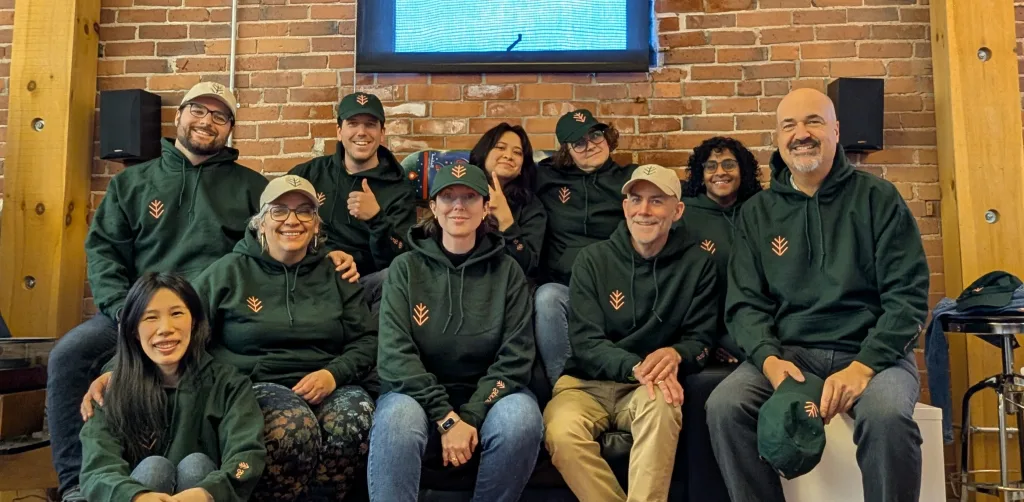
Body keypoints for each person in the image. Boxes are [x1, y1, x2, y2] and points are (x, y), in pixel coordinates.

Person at [83, 175, 377, 501]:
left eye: (305, 211)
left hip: (327, 380)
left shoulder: (337, 272)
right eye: (280, 211)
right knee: (292, 426)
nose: (292, 220)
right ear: (261, 223)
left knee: (356, 417)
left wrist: (332, 374)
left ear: (316, 225)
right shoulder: (229, 271)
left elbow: (367, 340)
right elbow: (175, 321)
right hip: (254, 385)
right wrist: (117, 370)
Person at [705, 88, 930, 502]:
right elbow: (744, 303)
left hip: (871, 353)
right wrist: (770, 361)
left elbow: (908, 297)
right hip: (791, 353)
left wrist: (864, 367)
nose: (801, 134)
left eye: (813, 121)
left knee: (887, 418)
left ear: (836, 130)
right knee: (725, 405)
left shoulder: (879, 200)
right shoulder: (756, 214)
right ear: (777, 136)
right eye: (789, 125)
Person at [52, 82, 270, 502]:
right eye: (198, 111)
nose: (206, 121)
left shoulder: (253, 189)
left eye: (219, 116)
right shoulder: (132, 183)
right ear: (180, 116)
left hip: (208, 316)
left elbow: (271, 251)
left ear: (230, 129)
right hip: (134, 311)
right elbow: (104, 252)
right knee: (68, 356)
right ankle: (76, 487)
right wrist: (125, 316)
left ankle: (201, 473)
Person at [543, 164, 719, 502]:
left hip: (649, 386)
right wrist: (634, 367)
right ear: (624, 207)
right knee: (561, 432)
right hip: (585, 385)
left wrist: (676, 353)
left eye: (657, 201)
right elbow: (585, 342)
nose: (644, 210)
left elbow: (701, 341)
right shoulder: (592, 260)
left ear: (677, 210)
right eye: (635, 200)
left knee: (665, 407)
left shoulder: (699, 265)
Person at [369, 164, 542, 502]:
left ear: (485, 207)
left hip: (488, 397)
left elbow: (516, 358)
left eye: (469, 197)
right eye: (448, 196)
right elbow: (394, 356)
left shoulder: (508, 270)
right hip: (416, 396)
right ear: (433, 207)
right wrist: (446, 418)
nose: (458, 206)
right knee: (397, 419)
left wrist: (472, 415)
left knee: (522, 417)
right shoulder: (405, 269)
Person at [79, 272, 266, 502]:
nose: (165, 328)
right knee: (154, 468)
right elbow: (97, 470)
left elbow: (246, 457)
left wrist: (210, 491)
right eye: (150, 318)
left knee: (196, 466)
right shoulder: (110, 390)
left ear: (194, 321)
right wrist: (135, 497)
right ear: (133, 330)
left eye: (177, 313)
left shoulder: (229, 384)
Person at [533, 108, 638, 384]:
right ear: (566, 151)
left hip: (620, 283)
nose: (590, 145)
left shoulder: (631, 179)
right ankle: (565, 385)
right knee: (546, 298)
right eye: (578, 142)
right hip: (567, 287)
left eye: (595, 135)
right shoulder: (546, 177)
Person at [289, 92, 416, 311]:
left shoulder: (399, 188)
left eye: (370, 125)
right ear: (339, 131)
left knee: (397, 278)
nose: (361, 132)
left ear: (382, 133)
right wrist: (324, 253)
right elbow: (273, 223)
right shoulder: (309, 174)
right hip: (310, 278)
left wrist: (377, 219)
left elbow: (399, 260)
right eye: (353, 123)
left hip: (366, 285)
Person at [680, 136, 763, 363]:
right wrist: (709, 340)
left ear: (742, 170)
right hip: (713, 326)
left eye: (729, 164)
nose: (720, 172)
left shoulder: (758, 211)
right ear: (701, 174)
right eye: (710, 166)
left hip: (757, 317)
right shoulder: (684, 216)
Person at [467, 122, 547, 278]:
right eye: (500, 147)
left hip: (508, 288)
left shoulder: (531, 206)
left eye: (517, 152)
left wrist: (506, 221)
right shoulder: (462, 192)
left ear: (521, 168)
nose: (509, 156)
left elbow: (528, 266)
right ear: (484, 153)